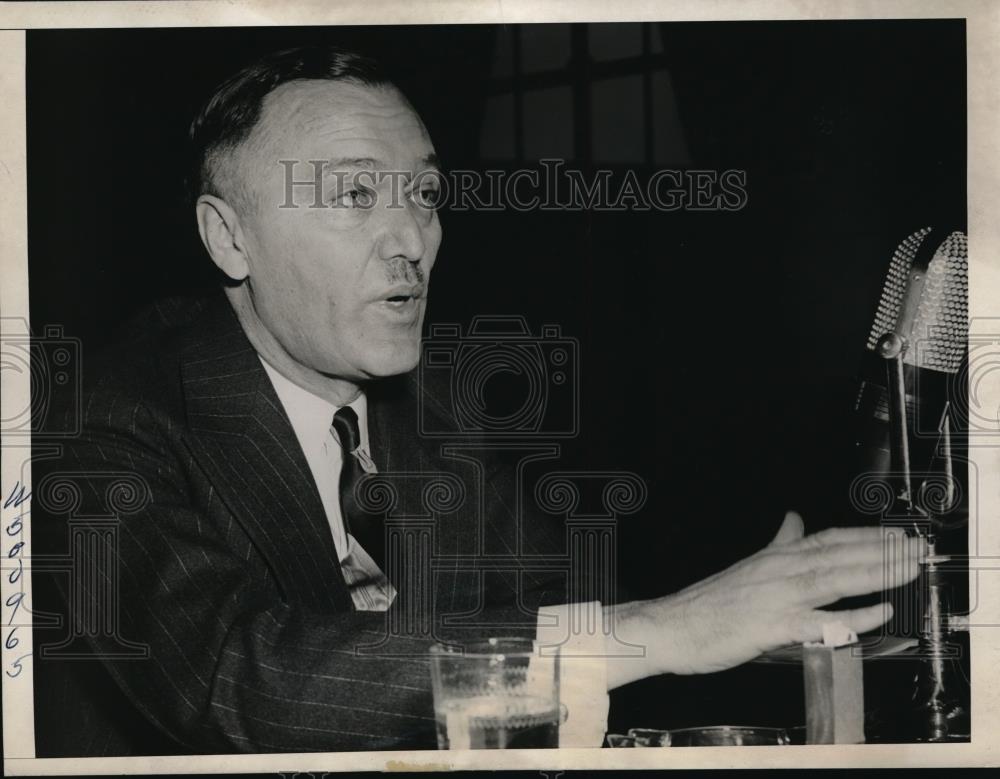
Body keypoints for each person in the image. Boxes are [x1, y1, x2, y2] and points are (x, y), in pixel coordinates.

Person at [32, 45, 924, 756]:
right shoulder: (111, 412)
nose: (411, 238)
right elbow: (233, 680)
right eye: (353, 194)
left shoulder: (447, 412)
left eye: (423, 191)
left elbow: (560, 619)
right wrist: (663, 628)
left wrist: (755, 626)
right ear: (230, 238)